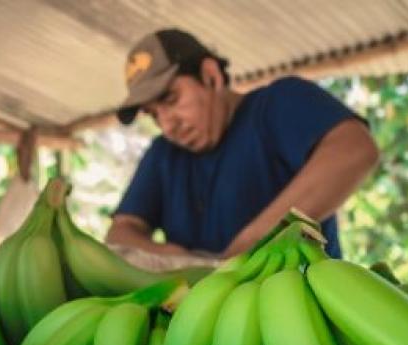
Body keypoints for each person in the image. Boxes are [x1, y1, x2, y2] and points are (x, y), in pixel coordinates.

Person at [106, 28, 380, 259]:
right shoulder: (163, 155)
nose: (167, 125)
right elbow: (121, 232)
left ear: (210, 76)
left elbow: (354, 149)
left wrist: (245, 249)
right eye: (153, 114)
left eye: (170, 99)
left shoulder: (276, 105)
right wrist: (181, 261)